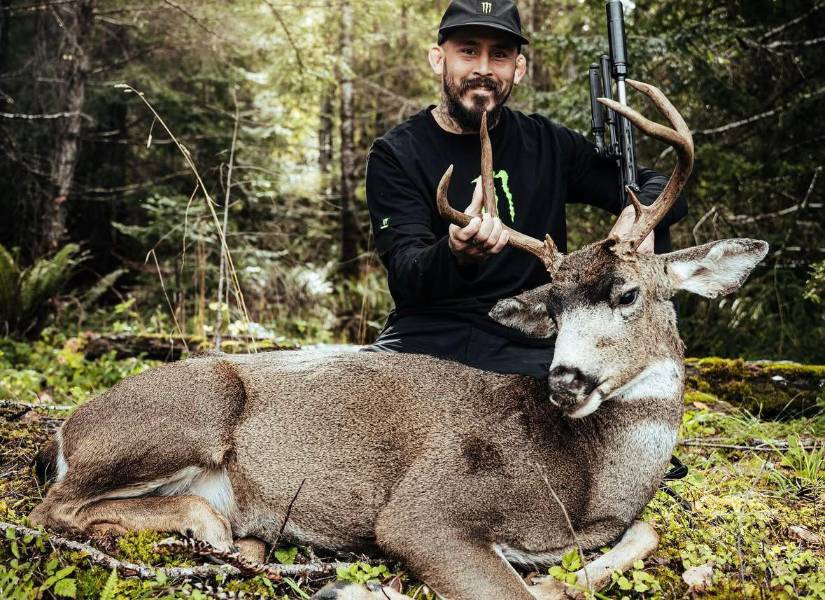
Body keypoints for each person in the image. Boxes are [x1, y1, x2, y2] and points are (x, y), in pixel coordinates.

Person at [363, 0, 687, 378]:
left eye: (499, 55)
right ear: (439, 59)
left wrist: (636, 211)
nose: (483, 69)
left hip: (529, 336)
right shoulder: (396, 154)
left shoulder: (547, 143)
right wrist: (455, 253)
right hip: (429, 335)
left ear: (518, 68)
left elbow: (662, 188)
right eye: (468, 51)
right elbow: (405, 272)